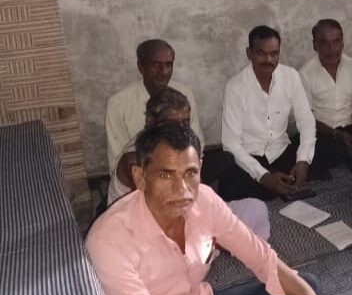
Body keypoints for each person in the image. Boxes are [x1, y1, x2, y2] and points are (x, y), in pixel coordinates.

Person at [86, 122, 350, 295]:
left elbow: (264, 260)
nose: (182, 190)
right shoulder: (108, 240)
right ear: (140, 178)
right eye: (166, 175)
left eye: (190, 173)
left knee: (304, 290)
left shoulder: (205, 200)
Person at [108, 86, 270, 239]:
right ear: (152, 124)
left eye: (185, 123)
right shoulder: (134, 158)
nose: (182, 130)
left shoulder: (181, 148)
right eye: (173, 124)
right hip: (140, 230)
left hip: (181, 214)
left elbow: (194, 193)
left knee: (256, 208)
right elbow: (151, 215)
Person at [220, 26, 328, 201]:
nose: (268, 60)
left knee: (322, 149)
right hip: (252, 156)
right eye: (261, 53)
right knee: (229, 186)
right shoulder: (235, 87)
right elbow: (230, 143)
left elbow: (306, 122)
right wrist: (263, 176)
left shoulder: (290, 76)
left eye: (274, 54)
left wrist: (302, 161)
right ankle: (279, 183)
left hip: (281, 150)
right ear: (249, 53)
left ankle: (280, 183)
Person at [105, 39, 204, 171]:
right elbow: (118, 161)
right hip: (137, 176)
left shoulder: (185, 93)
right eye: (156, 65)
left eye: (169, 64)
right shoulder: (118, 103)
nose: (164, 72)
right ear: (140, 66)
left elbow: (196, 143)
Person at [299, 19, 352, 169]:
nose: (331, 49)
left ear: (342, 43)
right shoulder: (305, 74)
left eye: (336, 41)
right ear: (315, 45)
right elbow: (307, 118)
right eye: (324, 43)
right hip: (325, 133)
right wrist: (336, 135)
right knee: (313, 147)